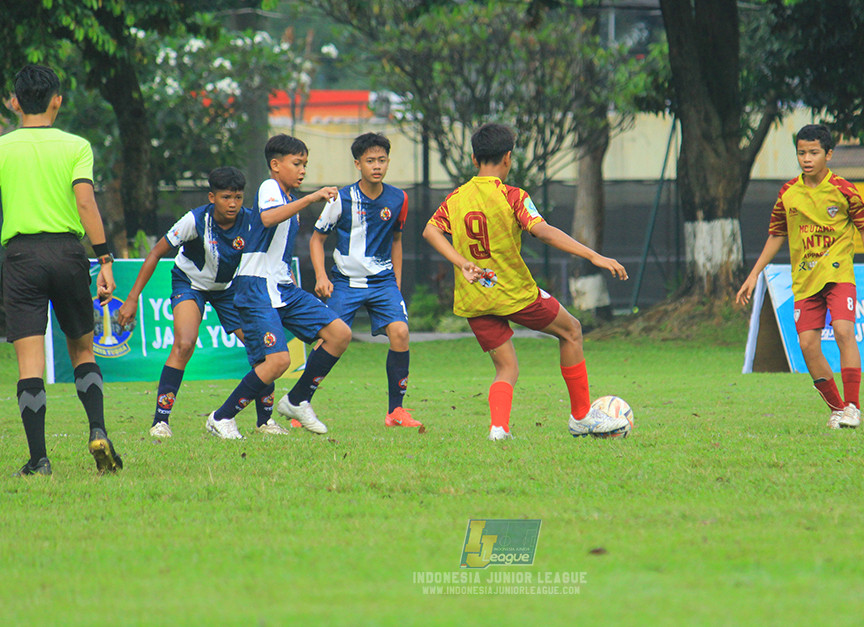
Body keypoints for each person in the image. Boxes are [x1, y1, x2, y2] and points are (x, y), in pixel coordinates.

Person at [422, 123, 630, 440]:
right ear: (507, 158)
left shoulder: (456, 198)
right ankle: (581, 417)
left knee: (506, 368)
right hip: (515, 294)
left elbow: (430, 231)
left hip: (475, 298)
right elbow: (542, 230)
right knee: (571, 330)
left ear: (474, 158)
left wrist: (462, 262)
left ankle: (498, 429)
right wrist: (593, 256)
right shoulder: (512, 196)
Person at [0, 63, 122, 475]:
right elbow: (86, 204)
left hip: (20, 257)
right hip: (68, 253)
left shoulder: (3, 147)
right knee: (83, 349)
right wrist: (104, 258)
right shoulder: (76, 146)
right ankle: (98, 430)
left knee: (30, 363)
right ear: (58, 100)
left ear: (15, 102)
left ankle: (39, 459)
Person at [116, 167, 286, 438]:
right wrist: (132, 298)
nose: (233, 204)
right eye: (226, 197)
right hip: (190, 284)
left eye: (239, 197)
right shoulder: (194, 220)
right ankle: (161, 422)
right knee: (184, 344)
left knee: (261, 350)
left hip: (229, 289)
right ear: (212, 197)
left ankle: (265, 422)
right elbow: (156, 253)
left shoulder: (252, 221)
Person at [206, 134, 353, 439]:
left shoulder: (287, 197)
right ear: (275, 165)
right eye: (296, 163)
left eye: (305, 164)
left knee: (339, 334)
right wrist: (312, 197)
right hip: (256, 286)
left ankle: (297, 400)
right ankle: (221, 417)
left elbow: (278, 248)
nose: (302, 170)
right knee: (278, 360)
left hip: (283, 287)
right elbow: (268, 217)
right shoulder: (270, 188)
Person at [736, 124, 864, 429]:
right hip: (804, 282)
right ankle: (836, 408)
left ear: (828, 154)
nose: (807, 158)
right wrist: (753, 274)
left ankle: (853, 406)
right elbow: (777, 234)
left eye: (814, 152)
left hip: (838, 275)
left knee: (843, 331)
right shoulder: (789, 193)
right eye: (801, 152)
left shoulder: (843, 189)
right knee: (807, 344)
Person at [310, 133, 420, 428]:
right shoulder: (341, 198)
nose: (377, 166)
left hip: (383, 282)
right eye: (370, 161)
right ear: (358, 164)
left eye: (382, 160)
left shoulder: (399, 198)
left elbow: (396, 240)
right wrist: (322, 276)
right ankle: (300, 403)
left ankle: (396, 412)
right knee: (328, 340)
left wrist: (395, 282)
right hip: (345, 282)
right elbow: (317, 239)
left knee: (400, 332)